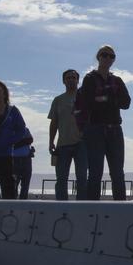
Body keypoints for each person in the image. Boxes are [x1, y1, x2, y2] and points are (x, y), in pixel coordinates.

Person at [77, 45, 131, 200]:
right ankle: (92, 209)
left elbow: (126, 103)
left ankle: (121, 208)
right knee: (95, 171)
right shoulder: (89, 78)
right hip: (95, 129)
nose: (108, 58)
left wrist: (103, 98)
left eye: (111, 56)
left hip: (115, 130)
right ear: (98, 57)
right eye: (104, 55)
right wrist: (112, 99)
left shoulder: (117, 80)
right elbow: (89, 102)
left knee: (117, 172)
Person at [48, 69, 87, 201]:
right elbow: (54, 122)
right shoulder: (58, 100)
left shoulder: (84, 97)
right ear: (64, 81)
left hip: (82, 144)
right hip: (63, 144)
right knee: (61, 178)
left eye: (73, 77)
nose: (71, 80)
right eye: (68, 78)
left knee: (82, 177)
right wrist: (51, 141)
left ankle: (81, 205)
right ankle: (61, 205)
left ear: (77, 80)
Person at [12, 127, 35, 199]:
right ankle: (13, 200)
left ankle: (22, 200)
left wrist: (18, 143)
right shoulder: (9, 129)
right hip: (15, 159)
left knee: (25, 183)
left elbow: (30, 139)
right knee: (14, 183)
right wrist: (23, 142)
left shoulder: (25, 129)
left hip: (25, 158)